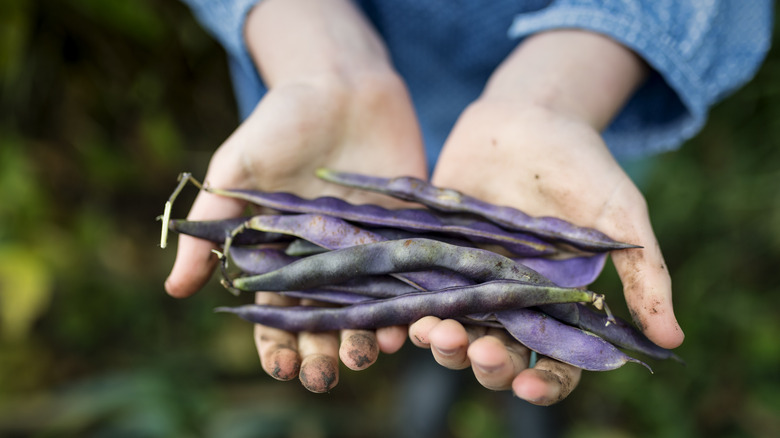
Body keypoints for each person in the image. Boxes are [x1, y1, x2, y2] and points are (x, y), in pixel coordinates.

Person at [166, 0, 772, 405]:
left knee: (501, 295)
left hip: (576, 102)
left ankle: (524, 372)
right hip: (340, 119)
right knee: (425, 314)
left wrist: (559, 92)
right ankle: (441, 374)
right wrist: (318, 57)